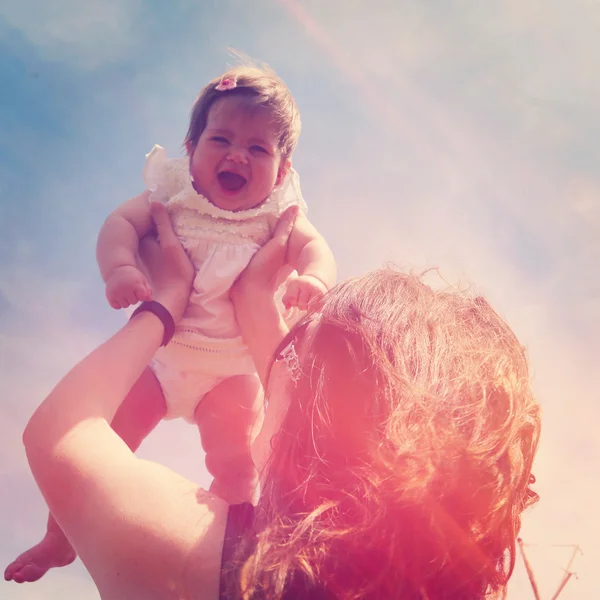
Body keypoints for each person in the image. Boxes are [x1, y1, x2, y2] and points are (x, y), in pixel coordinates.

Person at [5, 202, 540, 598]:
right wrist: (256, 301)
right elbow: (320, 395)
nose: (275, 362)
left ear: (318, 401)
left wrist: (167, 303)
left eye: (293, 354)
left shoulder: (230, 567)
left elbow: (61, 433)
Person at [4, 63, 336, 582]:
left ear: (283, 166)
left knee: (235, 460)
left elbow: (315, 248)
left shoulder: (279, 212)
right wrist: (119, 269)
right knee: (104, 444)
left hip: (231, 369)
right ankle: (59, 537)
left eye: (258, 149)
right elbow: (121, 224)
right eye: (221, 139)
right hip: (162, 361)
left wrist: (314, 278)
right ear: (190, 146)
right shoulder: (172, 194)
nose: (236, 156)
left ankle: (227, 541)